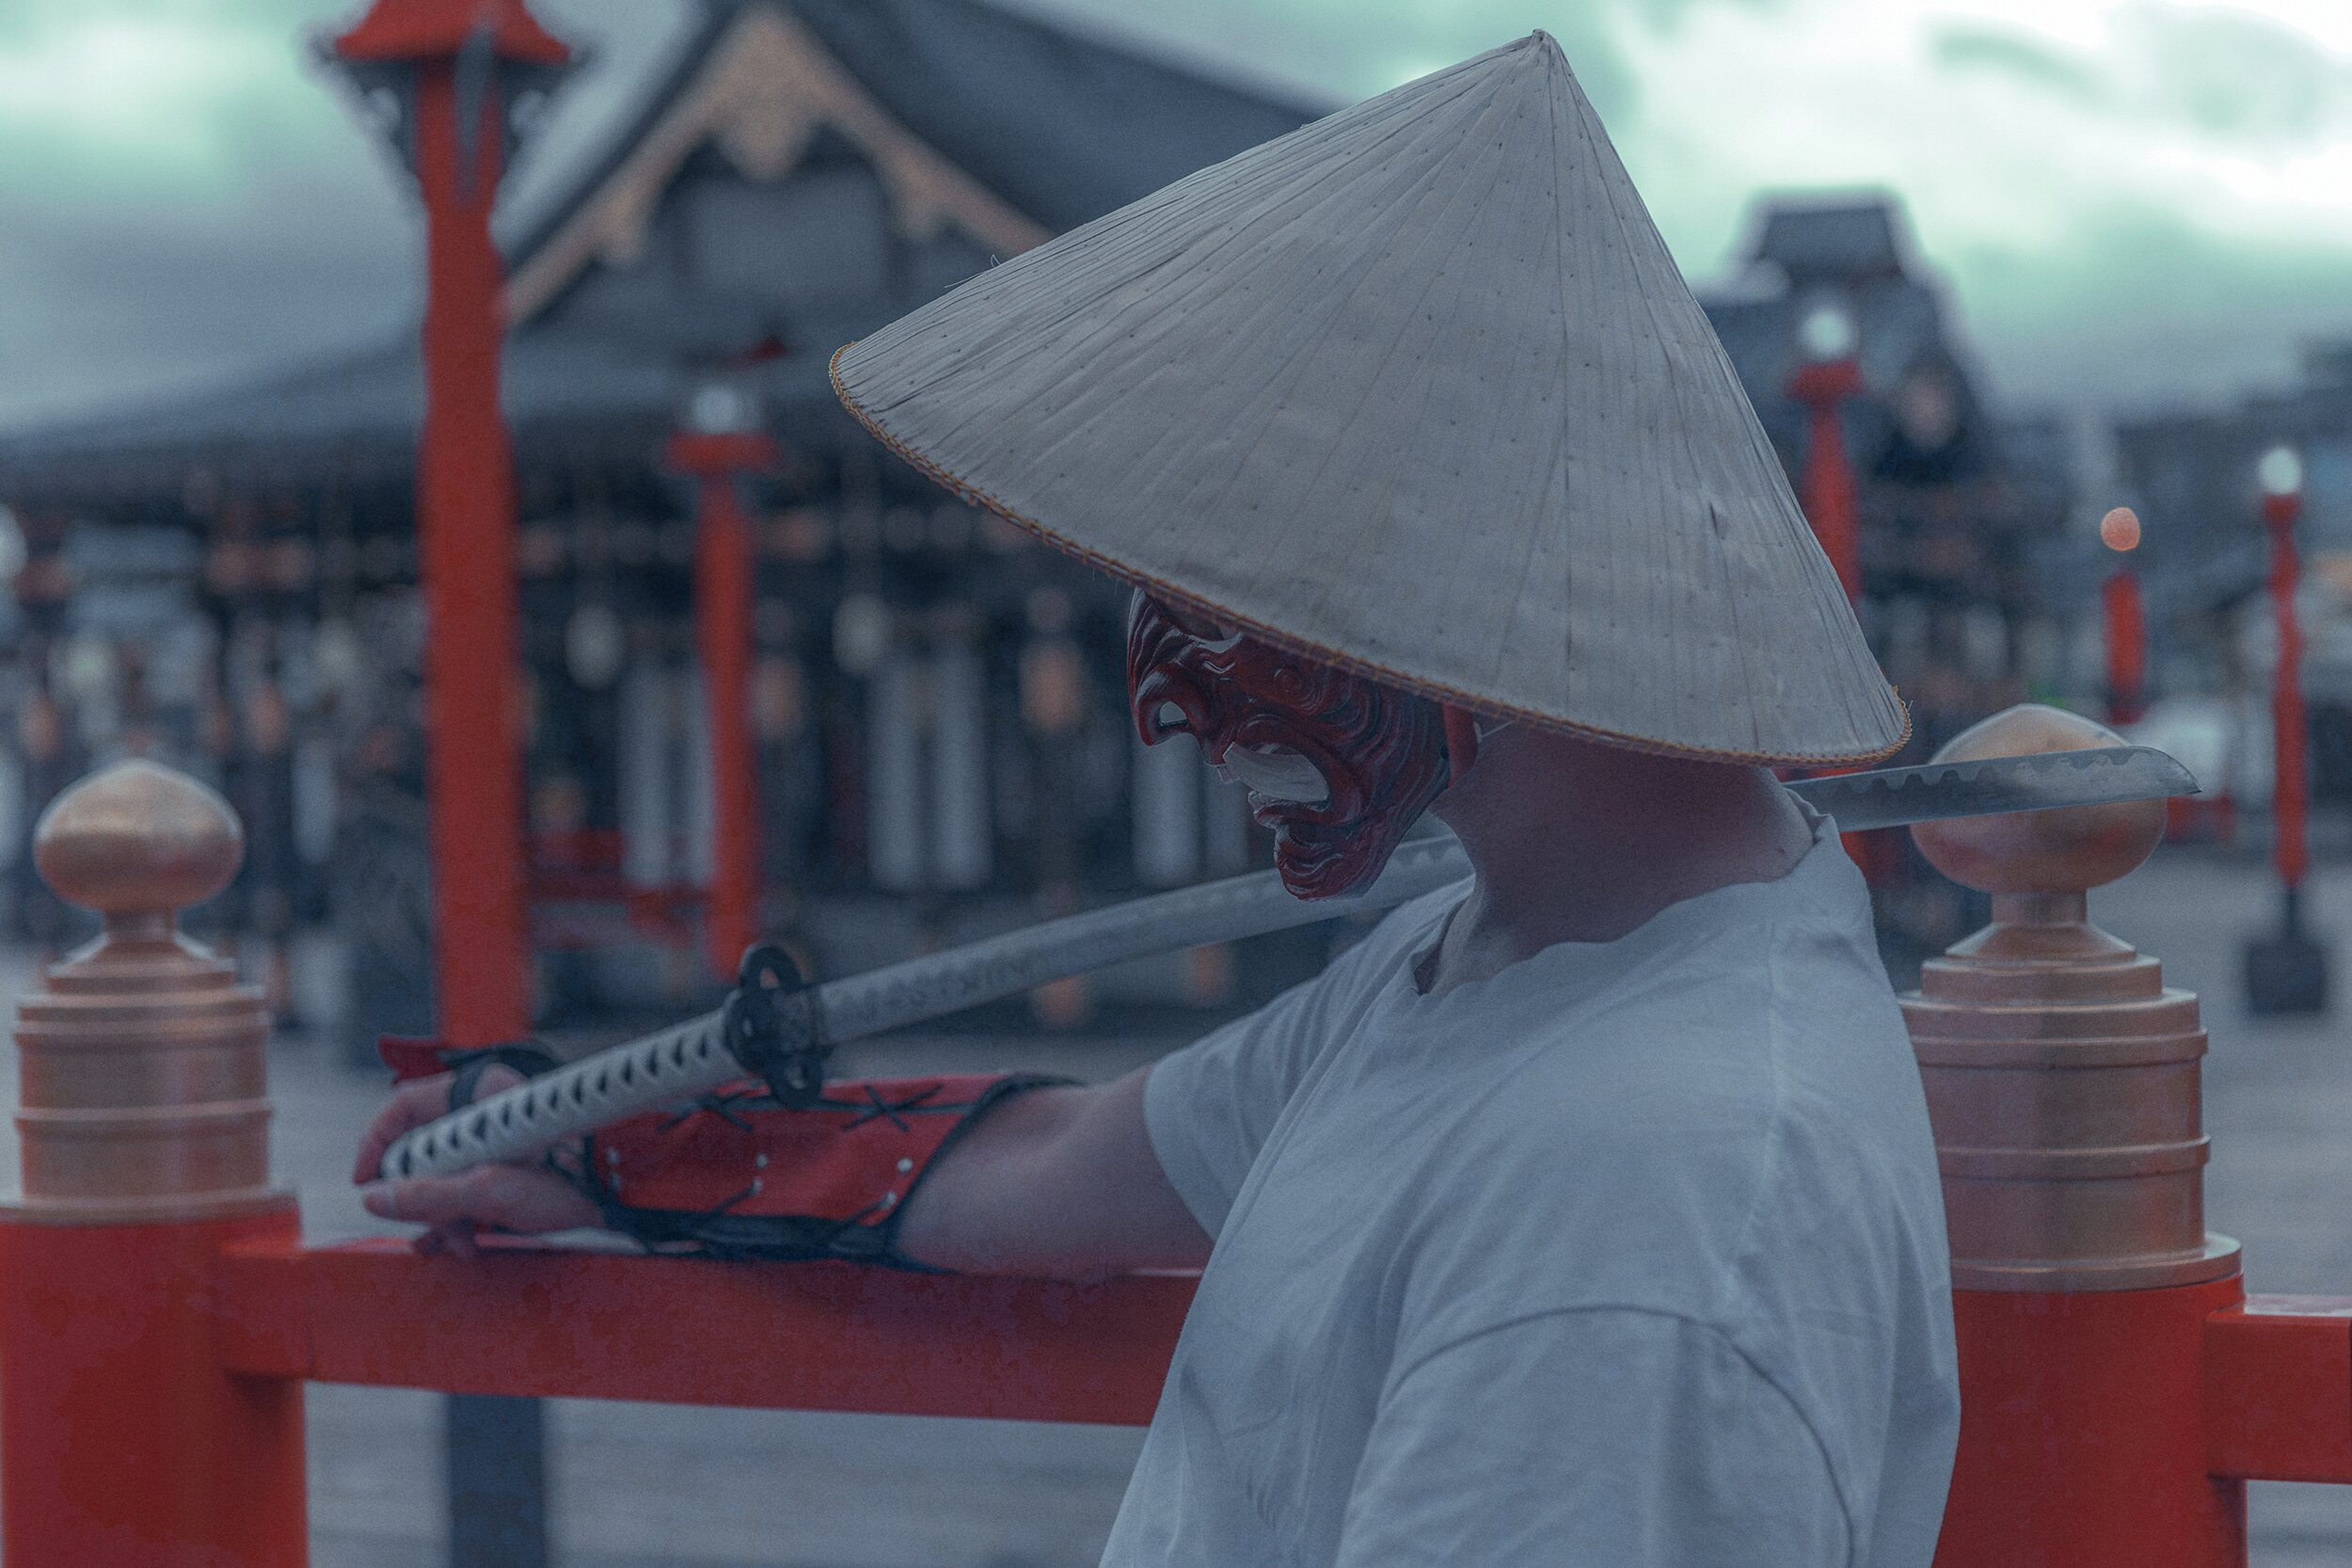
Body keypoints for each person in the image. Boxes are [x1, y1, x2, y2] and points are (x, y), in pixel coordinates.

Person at [358, 30, 1959, 1567]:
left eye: (1223, 600)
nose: (1157, 697)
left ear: (1459, 605)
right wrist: (618, 1149)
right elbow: (1059, 1160)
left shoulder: (1642, 1197)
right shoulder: (1488, 963)